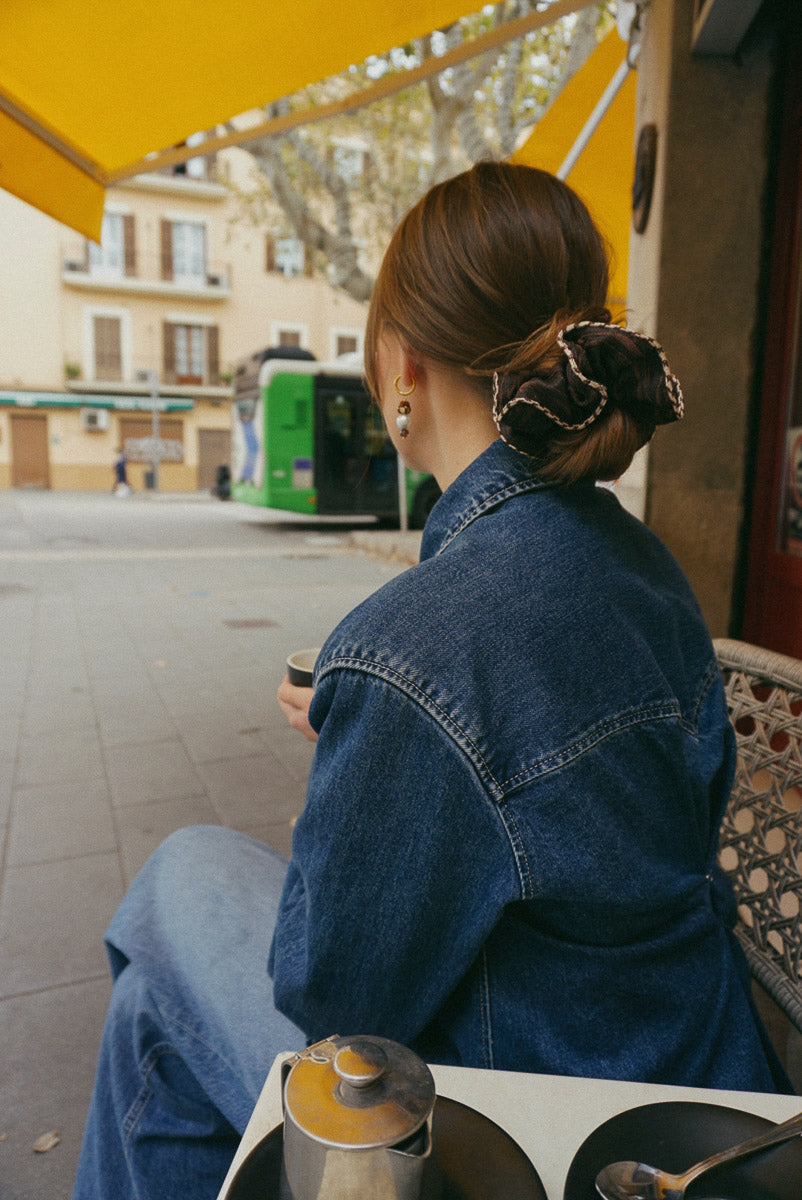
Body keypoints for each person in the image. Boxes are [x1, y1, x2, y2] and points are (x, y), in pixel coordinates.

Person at [72, 163, 791, 1200]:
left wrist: (367, 758)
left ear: (404, 367)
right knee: (156, 1017)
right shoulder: (649, 569)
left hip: (534, 1121)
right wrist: (379, 750)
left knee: (178, 895)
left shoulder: (407, 651)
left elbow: (338, 1003)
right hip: (692, 1064)